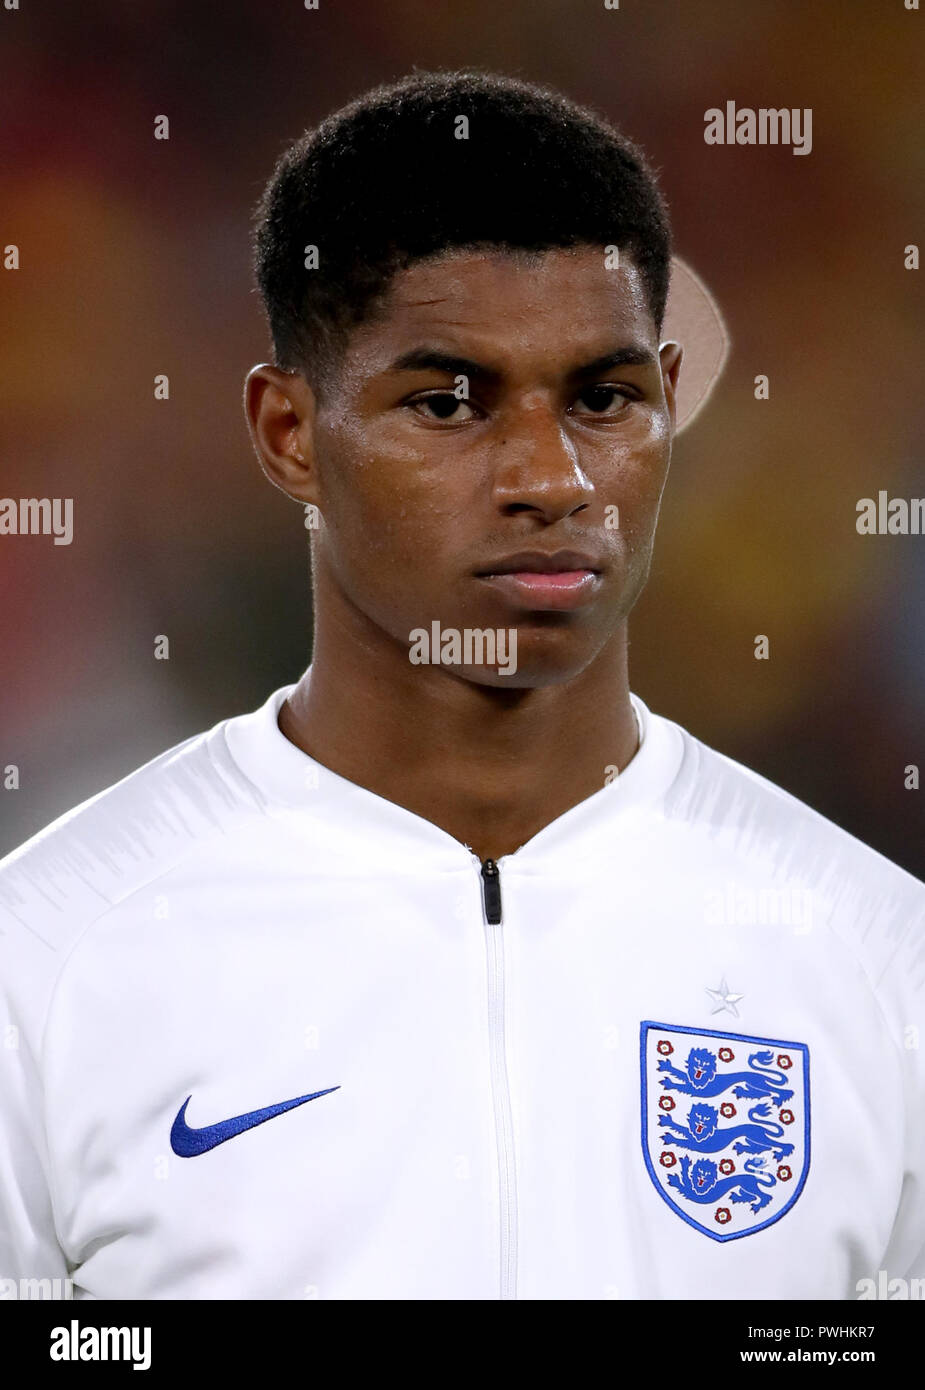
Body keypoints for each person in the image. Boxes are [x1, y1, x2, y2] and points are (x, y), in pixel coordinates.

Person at [0, 69, 922, 1302]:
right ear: (288, 434)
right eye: (447, 401)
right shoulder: (50, 957)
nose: (551, 476)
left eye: (603, 398)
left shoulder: (872, 953)